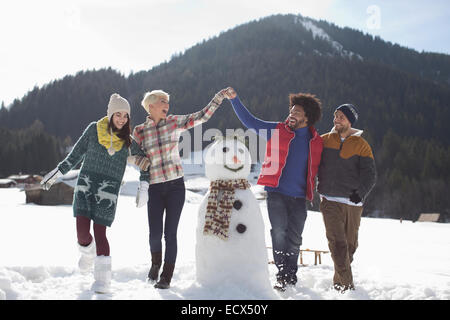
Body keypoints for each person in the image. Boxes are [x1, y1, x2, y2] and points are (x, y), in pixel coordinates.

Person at [41, 93, 149, 294]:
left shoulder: (128, 141)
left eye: (125, 116)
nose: (122, 119)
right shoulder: (93, 130)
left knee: (100, 233)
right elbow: (75, 155)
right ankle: (88, 254)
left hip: (108, 193)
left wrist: (144, 187)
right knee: (82, 232)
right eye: (118, 114)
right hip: (85, 188)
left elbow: (145, 163)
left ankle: (103, 282)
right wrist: (58, 172)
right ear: (110, 114)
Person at [133, 88, 231, 289]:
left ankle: (166, 277)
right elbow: (130, 153)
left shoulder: (174, 122)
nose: (167, 106)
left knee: (170, 233)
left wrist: (218, 97)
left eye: (168, 102)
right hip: (154, 187)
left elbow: (201, 117)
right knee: (154, 233)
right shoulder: (139, 131)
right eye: (163, 101)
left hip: (176, 186)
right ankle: (155, 264)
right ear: (150, 105)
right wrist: (137, 160)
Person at [226, 88, 323, 291]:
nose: (291, 114)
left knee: (295, 237)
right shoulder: (277, 130)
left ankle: (291, 274)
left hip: (299, 197)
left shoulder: (316, 141)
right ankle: (283, 275)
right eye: (291, 110)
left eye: (297, 112)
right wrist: (235, 99)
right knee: (279, 232)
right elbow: (250, 121)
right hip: (276, 192)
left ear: (307, 118)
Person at [317, 103, 377, 292]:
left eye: (341, 117)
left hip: (352, 203)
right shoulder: (324, 140)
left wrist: (360, 192)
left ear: (350, 121)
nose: (336, 120)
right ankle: (347, 288)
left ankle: (338, 285)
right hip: (329, 200)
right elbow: (311, 162)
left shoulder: (361, 145)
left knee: (350, 247)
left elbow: (370, 174)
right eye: (335, 116)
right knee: (338, 244)